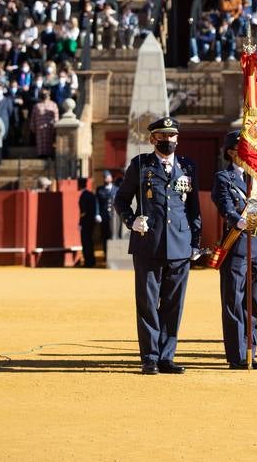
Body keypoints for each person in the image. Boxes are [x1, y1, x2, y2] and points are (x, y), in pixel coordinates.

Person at [114, 116, 201, 375]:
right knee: (149, 302)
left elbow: (193, 208)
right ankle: (150, 357)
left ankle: (166, 356)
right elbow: (120, 200)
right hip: (148, 243)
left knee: (174, 304)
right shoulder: (140, 164)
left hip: (180, 244)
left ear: (177, 138)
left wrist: (195, 242)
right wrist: (131, 221)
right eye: (162, 137)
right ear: (152, 139)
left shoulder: (187, 166)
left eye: (172, 136)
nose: (168, 141)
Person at [211, 130, 257, 370]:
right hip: (236, 244)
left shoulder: (256, 180)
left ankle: (250, 352)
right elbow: (223, 204)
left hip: (256, 245)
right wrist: (237, 220)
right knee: (234, 301)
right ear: (232, 152)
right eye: (243, 149)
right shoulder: (224, 177)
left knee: (253, 302)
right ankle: (237, 355)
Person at [95, 170, 118, 258]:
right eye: (105, 177)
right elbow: (97, 202)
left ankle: (114, 254)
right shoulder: (99, 190)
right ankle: (106, 254)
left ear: (111, 178)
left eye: (108, 176)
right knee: (104, 236)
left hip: (114, 217)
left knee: (114, 235)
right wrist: (97, 214)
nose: (106, 178)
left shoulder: (116, 189)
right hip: (103, 216)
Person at [78, 177, 97, 268]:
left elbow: (83, 212)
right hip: (91, 221)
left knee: (85, 242)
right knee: (90, 241)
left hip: (85, 222)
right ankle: (92, 260)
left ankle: (88, 261)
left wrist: (80, 222)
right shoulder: (91, 194)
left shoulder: (83, 196)